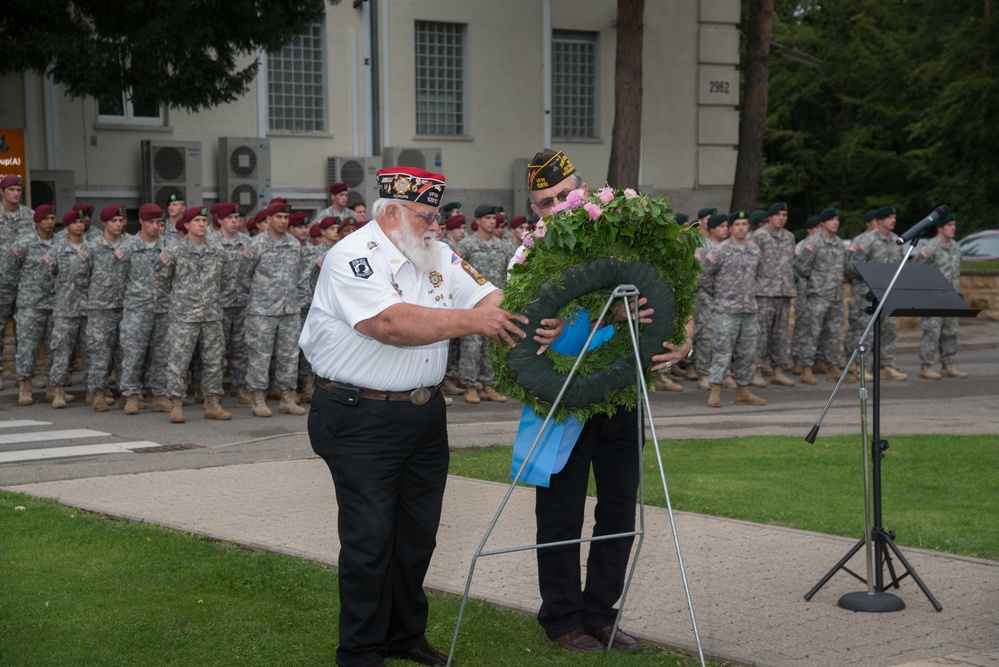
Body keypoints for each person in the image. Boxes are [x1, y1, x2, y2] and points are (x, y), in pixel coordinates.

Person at [301, 165, 559, 667]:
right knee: (370, 538)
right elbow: (390, 323)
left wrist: (529, 320)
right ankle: (361, 651)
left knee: (417, 535)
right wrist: (476, 321)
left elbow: (487, 298)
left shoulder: (435, 252)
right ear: (391, 213)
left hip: (422, 414)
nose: (435, 226)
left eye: (438, 215)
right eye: (425, 216)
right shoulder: (352, 255)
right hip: (359, 416)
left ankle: (404, 636)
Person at [524, 148, 692, 654]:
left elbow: (674, 289)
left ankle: (600, 614)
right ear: (534, 209)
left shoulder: (623, 235)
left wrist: (682, 336)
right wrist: (616, 316)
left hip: (620, 392)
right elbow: (543, 326)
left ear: (583, 191)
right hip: (566, 398)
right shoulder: (528, 256)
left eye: (563, 194)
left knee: (619, 507)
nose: (557, 206)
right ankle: (561, 618)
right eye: (545, 201)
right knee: (561, 512)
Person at [154, 206, 234, 422]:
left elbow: (228, 279)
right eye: (196, 220)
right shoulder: (174, 252)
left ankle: (212, 403)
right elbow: (161, 282)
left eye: (203, 220)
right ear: (186, 225)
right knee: (178, 362)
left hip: (211, 316)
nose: (201, 224)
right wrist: (179, 301)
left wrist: (213, 299)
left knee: (214, 361)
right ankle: (176, 404)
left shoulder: (217, 251)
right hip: (184, 317)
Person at [243, 199, 307, 417]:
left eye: (286, 217)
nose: (283, 221)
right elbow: (243, 277)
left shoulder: (294, 244)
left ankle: (287, 398)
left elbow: (298, 276)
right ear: (268, 219)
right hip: (262, 311)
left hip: (289, 310)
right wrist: (258, 299)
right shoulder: (256, 245)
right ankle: (257, 399)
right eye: (278, 217)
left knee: (289, 355)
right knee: (260, 355)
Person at [700, 210, 767, 407]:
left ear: (749, 227)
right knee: (722, 351)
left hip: (749, 309)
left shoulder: (754, 250)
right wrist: (720, 295)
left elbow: (759, 275)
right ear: (730, 228)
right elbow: (703, 275)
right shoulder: (719, 251)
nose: (741, 228)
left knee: (748, 352)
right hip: (725, 310)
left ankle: (743, 391)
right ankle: (715, 390)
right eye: (737, 224)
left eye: (744, 224)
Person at [456, 204, 514, 403]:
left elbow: (512, 272)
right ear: (478, 220)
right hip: (473, 305)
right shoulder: (467, 245)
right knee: (471, 347)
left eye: (493, 218)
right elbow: (456, 272)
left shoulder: (504, 247)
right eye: (488, 218)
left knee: (493, 346)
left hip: (497, 305)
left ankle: (489, 384)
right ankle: (471, 386)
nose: (492, 221)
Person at [118, 203, 171, 414]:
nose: (155, 226)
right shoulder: (128, 247)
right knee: (133, 353)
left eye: (158, 222)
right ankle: (130, 396)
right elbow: (118, 280)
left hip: (163, 309)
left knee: (163, 354)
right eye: (150, 222)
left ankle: (160, 395)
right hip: (137, 310)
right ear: (140, 221)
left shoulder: (169, 246)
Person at [793, 208, 855, 385]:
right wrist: (816, 281)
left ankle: (833, 366)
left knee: (834, 333)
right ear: (822, 224)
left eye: (837, 219)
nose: (835, 222)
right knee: (811, 333)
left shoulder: (838, 243)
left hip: (835, 295)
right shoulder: (813, 243)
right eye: (831, 220)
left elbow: (844, 267)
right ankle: (806, 368)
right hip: (817, 296)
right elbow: (800, 266)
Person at [3, 203, 57, 405]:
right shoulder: (24, 244)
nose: (50, 222)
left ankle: (54, 388)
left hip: (54, 304)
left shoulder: (60, 243)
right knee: (27, 347)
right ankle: (24, 389)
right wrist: (23, 288)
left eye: (52, 218)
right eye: (46, 219)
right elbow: (8, 269)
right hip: (30, 305)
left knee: (55, 347)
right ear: (37, 221)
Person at [847, 205, 908, 380]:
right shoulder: (867, 241)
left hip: (889, 295)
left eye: (895, 217)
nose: (894, 220)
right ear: (879, 220)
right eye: (890, 217)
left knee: (888, 331)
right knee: (865, 331)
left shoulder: (897, 241)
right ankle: (860, 366)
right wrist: (872, 277)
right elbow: (852, 267)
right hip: (868, 295)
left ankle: (885, 365)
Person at [81, 205, 129, 411]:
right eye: (114, 221)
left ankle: (126, 393)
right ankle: (97, 393)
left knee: (125, 353)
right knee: (100, 353)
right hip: (101, 309)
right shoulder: (92, 247)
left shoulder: (130, 245)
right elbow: (79, 276)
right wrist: (95, 295)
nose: (119, 224)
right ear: (105, 223)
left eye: (121, 220)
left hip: (127, 307)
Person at [914, 212, 967, 379]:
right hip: (933, 298)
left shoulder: (956, 247)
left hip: (951, 298)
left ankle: (947, 364)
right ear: (940, 228)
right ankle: (926, 366)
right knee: (932, 332)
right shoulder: (930, 248)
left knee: (951, 332)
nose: (953, 228)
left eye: (954, 225)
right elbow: (916, 270)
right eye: (950, 225)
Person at [749, 202, 797, 388]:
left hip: (784, 292)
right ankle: (756, 370)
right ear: (770, 217)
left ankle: (778, 370)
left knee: (781, 335)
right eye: (778, 215)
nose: (782, 218)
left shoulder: (789, 237)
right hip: (764, 292)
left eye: (784, 214)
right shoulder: (759, 236)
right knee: (761, 334)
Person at [46, 209, 90, 408]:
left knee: (92, 352)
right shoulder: (56, 249)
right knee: (61, 351)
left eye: (81, 222)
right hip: (65, 309)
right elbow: (44, 276)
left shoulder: (92, 247)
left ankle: (94, 391)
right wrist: (58, 295)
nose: (79, 225)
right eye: (75, 222)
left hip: (90, 308)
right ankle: (58, 392)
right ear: (66, 227)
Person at [0, 174, 35, 388]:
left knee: (26, 329)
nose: (16, 193)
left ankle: (24, 376)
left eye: (19, 190)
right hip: (2, 281)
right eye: (12, 189)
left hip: (25, 283)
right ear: (2, 191)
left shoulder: (30, 217)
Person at [693, 212, 731, 391]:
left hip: (728, 299)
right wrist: (716, 292)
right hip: (708, 297)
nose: (726, 229)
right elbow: (700, 275)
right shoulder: (703, 247)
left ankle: (723, 372)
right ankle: (703, 373)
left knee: (725, 336)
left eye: (726, 226)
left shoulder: (729, 247)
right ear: (713, 228)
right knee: (706, 335)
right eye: (722, 226)